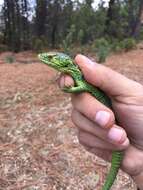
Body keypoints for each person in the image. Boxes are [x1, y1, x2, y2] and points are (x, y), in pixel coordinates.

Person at [58, 54, 143, 190]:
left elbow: (82, 86)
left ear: (64, 63)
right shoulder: (75, 74)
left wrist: (72, 89)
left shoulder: (80, 75)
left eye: (52, 58)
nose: (46, 58)